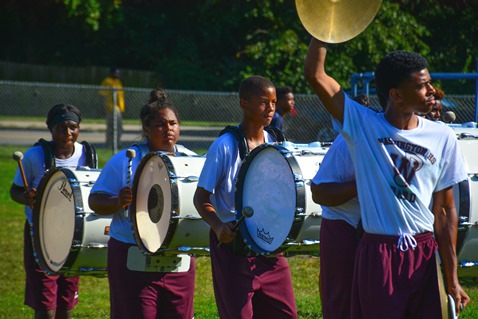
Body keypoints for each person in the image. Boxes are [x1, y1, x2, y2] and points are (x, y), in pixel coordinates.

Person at [304, 38, 470, 318]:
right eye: (421, 85)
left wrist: (451, 277)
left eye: (429, 82)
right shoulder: (363, 125)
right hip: (378, 253)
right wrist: (323, 29)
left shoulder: (442, 136)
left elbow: (444, 211)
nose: (431, 91)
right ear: (396, 95)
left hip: (424, 253)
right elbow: (316, 75)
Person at [193, 75, 297, 319]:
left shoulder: (278, 142)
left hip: (270, 247)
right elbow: (201, 198)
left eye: (273, 102)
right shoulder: (225, 146)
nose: (270, 108)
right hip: (234, 245)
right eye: (263, 102)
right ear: (244, 103)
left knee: (286, 314)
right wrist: (218, 226)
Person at [88, 88, 196, 319]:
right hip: (132, 255)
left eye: (173, 123)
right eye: (160, 124)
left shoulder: (191, 160)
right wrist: (118, 201)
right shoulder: (126, 160)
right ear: (146, 129)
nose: (168, 129)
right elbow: (95, 201)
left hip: (178, 259)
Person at [10, 104, 95, 319]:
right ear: (50, 128)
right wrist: (26, 197)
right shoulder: (34, 156)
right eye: (61, 127)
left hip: (73, 234)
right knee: (45, 306)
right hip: (41, 233)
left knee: (66, 304)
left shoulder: (87, 155)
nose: (68, 133)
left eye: (73, 127)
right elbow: (15, 191)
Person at [310, 95, 371, 319]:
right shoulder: (348, 141)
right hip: (343, 227)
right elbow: (319, 191)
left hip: (378, 231)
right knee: (341, 302)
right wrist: (365, 183)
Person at [99, 67, 125, 151]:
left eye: (118, 73)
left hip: (118, 108)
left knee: (119, 127)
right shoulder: (107, 81)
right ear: (111, 73)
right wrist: (104, 108)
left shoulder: (118, 82)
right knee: (111, 127)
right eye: (115, 73)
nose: (117, 75)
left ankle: (117, 143)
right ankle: (109, 145)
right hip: (111, 107)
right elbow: (102, 95)